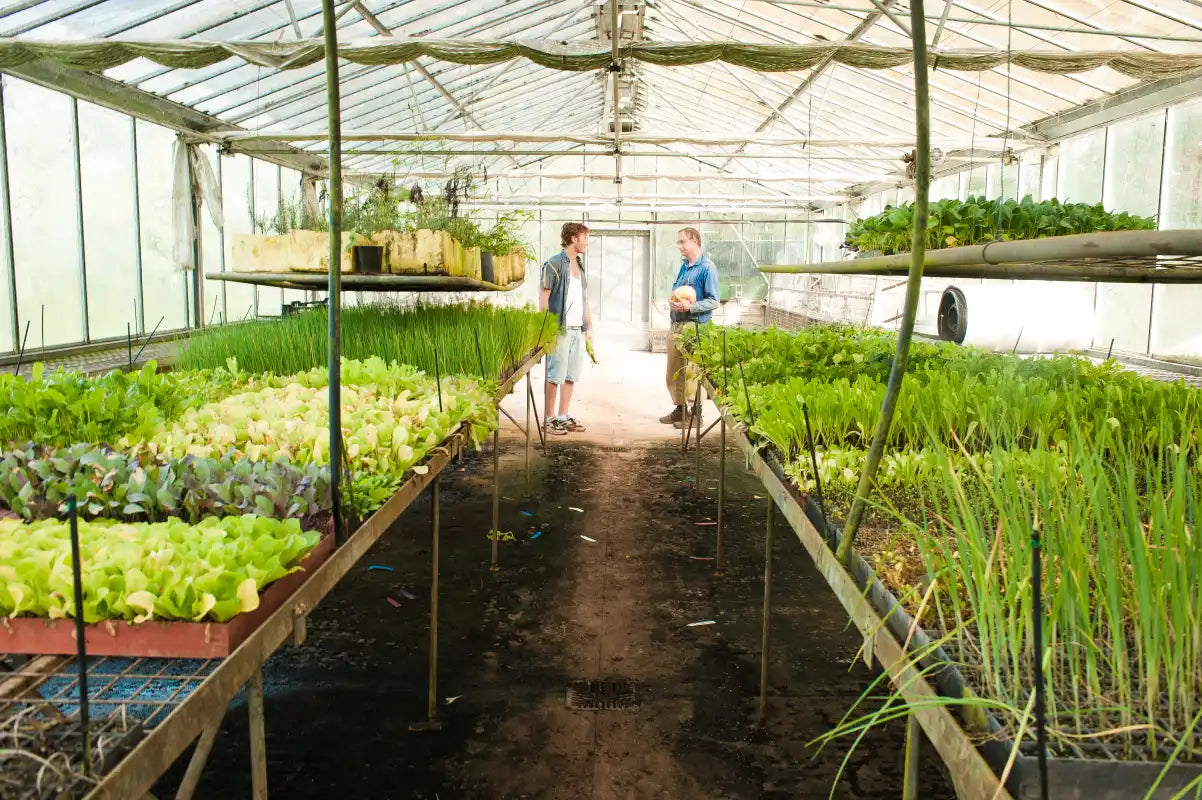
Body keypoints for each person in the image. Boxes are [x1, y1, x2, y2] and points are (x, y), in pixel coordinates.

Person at [662, 227, 719, 429]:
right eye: (679, 242)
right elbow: (678, 288)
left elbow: (714, 301)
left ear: (694, 241)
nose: (680, 246)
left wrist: (691, 306)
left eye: (682, 242)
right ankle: (680, 410)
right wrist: (674, 299)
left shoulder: (707, 268)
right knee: (674, 371)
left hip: (695, 327)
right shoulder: (685, 267)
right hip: (677, 324)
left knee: (692, 373)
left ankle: (697, 415)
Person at [539, 222, 593, 435]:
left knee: (571, 375)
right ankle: (548, 418)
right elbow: (544, 299)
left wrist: (588, 326)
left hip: (577, 329)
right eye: (585, 238)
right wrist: (546, 330)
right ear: (574, 239)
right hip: (559, 329)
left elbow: (584, 298)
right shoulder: (553, 264)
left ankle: (563, 415)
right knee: (555, 374)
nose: (587, 242)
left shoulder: (579, 265)